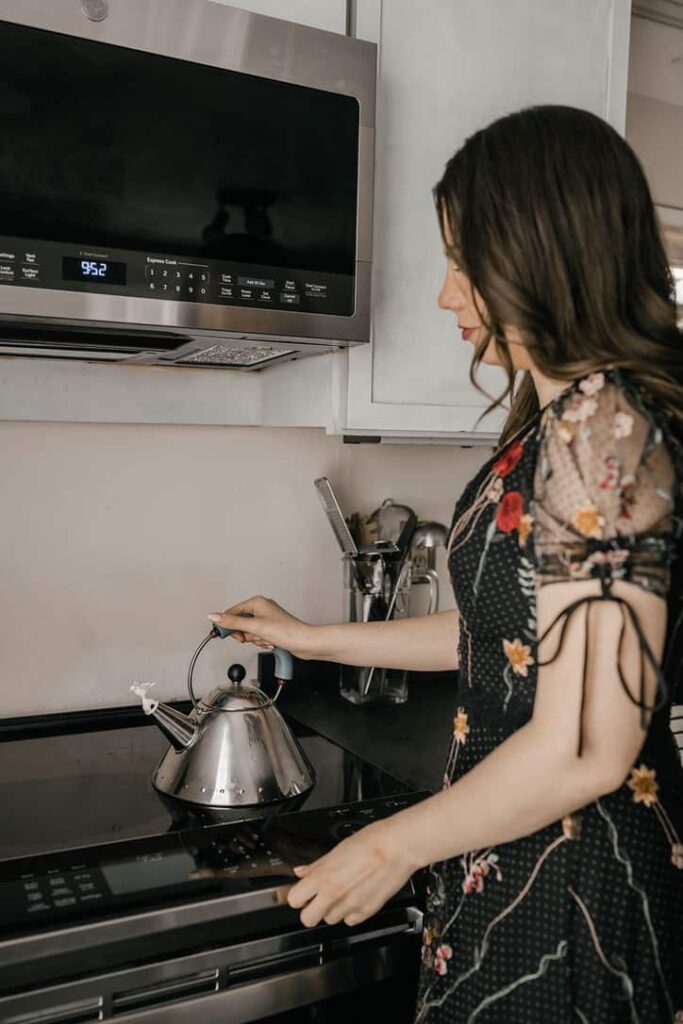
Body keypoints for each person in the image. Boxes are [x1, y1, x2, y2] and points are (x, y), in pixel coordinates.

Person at [207, 106, 683, 1022]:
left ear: (535, 256)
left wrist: (392, 845)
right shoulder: (563, 422)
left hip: (575, 876)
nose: (445, 295)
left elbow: (585, 742)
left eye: (462, 263)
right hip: (511, 846)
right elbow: (512, 633)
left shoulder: (605, 427)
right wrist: (314, 639)